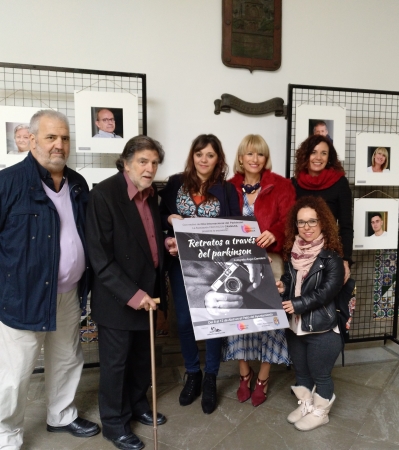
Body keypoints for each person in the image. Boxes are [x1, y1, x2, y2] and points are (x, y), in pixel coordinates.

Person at [0, 110, 100, 449]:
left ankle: (62, 415)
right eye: (50, 137)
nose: (59, 145)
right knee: (15, 374)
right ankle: (7, 434)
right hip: (23, 297)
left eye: (65, 138)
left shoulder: (76, 183)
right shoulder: (8, 182)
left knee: (67, 359)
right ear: (30, 139)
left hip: (69, 293)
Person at [86, 135, 169, 450]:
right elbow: (100, 258)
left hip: (149, 293)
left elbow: (147, 239)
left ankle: (137, 405)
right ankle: (114, 423)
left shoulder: (152, 194)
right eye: (143, 162)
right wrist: (133, 295)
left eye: (154, 163)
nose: (149, 169)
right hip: (118, 298)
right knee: (115, 364)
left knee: (140, 360)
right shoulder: (104, 195)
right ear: (126, 162)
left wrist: (167, 244)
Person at [159, 134, 240, 414]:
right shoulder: (174, 184)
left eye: (210, 155)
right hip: (180, 265)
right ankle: (192, 373)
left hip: (213, 266)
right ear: (192, 155)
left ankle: (211, 378)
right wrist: (169, 225)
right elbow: (158, 219)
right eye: (199, 154)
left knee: (213, 321)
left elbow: (234, 231)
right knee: (183, 320)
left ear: (219, 160)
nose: (203, 160)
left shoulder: (227, 191)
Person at [221, 134, 296, 407]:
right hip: (235, 263)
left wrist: (274, 233)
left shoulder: (282, 185)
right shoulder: (227, 187)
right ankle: (244, 372)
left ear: (266, 159)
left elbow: (290, 222)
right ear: (240, 158)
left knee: (270, 321)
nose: (255, 159)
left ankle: (263, 377)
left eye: (260, 154)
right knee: (237, 319)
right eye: (249, 154)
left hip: (270, 260)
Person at [277, 196, 345, 431]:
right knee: (301, 372)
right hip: (296, 325)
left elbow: (326, 292)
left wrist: (297, 304)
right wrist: (283, 286)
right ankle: (306, 404)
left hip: (322, 328)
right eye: (301, 222)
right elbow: (290, 280)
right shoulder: (292, 253)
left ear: (323, 223)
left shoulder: (332, 258)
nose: (306, 227)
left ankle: (321, 412)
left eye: (312, 222)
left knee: (320, 375)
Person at [291, 134, 353, 283]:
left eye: (323, 153)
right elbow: (290, 224)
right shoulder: (294, 184)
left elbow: (346, 225)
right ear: (305, 155)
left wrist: (346, 260)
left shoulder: (340, 183)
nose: (318, 157)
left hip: (328, 255)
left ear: (329, 157)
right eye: (313, 152)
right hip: (299, 254)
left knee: (325, 301)